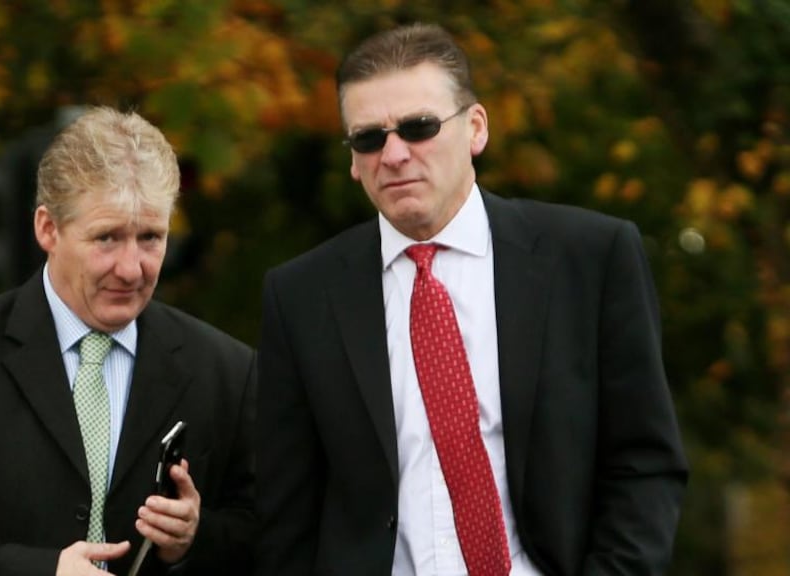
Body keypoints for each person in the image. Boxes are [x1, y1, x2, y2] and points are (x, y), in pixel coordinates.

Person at [255, 23, 688, 576]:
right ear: (353, 160)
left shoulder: (591, 258)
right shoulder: (301, 296)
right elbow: (286, 515)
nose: (394, 154)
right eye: (369, 138)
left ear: (476, 128)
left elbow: (643, 463)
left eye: (418, 127)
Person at [0, 106, 256, 576]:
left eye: (150, 237)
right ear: (47, 228)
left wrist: (194, 538)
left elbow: (273, 533)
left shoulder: (228, 371)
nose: (132, 268)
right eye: (107, 238)